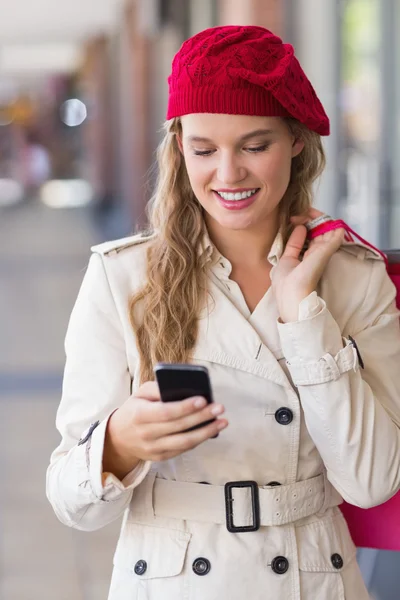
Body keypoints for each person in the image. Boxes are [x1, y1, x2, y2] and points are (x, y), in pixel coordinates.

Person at [46, 26, 400, 600]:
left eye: (255, 146)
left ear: (296, 142)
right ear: (179, 147)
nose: (228, 174)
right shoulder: (123, 277)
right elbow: (70, 500)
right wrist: (120, 442)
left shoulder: (354, 277)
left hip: (313, 578)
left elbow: (371, 482)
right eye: (204, 150)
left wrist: (303, 315)